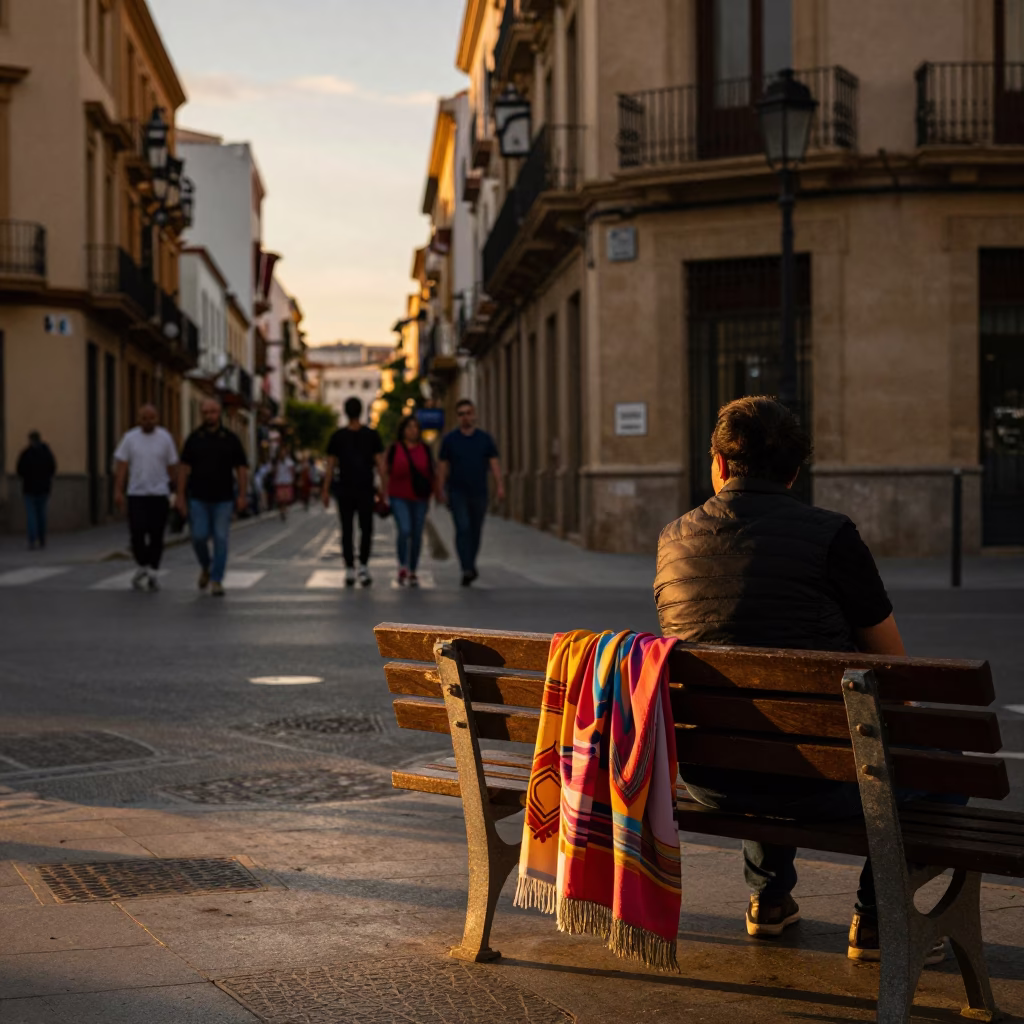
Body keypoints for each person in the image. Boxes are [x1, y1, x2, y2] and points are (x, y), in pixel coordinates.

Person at [653, 396, 952, 965]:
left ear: (718, 464)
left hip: (710, 776)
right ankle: (878, 917)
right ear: (794, 472)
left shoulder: (674, 540)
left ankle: (769, 899)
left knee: (756, 723)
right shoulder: (832, 536)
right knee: (943, 763)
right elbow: (896, 669)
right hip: (821, 782)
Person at [177, 398, 249, 597]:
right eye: (206, 412)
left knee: (221, 538)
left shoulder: (231, 439)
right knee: (198, 536)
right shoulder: (194, 438)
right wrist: (180, 495)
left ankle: (217, 579)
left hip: (224, 498)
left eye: (213, 412)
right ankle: (206, 566)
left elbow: (241, 468)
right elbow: (183, 468)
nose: (210, 416)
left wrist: (242, 495)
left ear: (219, 414)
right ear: (202, 414)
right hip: (198, 497)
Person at [436, 398, 504, 586]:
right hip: (457, 491)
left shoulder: (485, 439)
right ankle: (466, 567)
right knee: (462, 528)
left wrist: (500, 485)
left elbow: (494, 463)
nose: (465, 417)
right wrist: (440, 488)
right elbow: (442, 466)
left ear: (474, 415)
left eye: (468, 413)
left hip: (479, 492)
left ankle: (470, 564)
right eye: (461, 414)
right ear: (457, 417)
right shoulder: (450, 440)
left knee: (475, 530)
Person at [113, 405, 179, 591]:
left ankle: (153, 571)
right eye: (144, 418)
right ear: (138, 419)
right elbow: (122, 466)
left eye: (151, 418)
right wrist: (118, 491)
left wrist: (176, 490)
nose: (148, 421)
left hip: (159, 494)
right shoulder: (130, 438)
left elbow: (172, 465)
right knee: (137, 533)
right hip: (136, 494)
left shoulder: (165, 437)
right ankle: (143, 563)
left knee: (157, 534)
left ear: (157, 418)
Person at [322, 396, 386, 587]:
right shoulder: (372, 435)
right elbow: (381, 465)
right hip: (366, 489)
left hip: (345, 490)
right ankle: (363, 566)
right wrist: (383, 489)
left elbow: (330, 467)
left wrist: (325, 490)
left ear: (345, 412)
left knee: (346, 529)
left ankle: (350, 568)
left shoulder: (337, 436)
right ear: (362, 411)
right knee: (366, 529)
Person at [387, 414, 435, 587]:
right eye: (409, 427)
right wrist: (383, 493)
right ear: (402, 430)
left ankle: (413, 569)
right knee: (405, 529)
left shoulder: (425, 449)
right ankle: (402, 565)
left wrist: (434, 493)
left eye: (415, 427)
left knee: (417, 533)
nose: (413, 430)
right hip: (398, 496)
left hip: (420, 498)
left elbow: (431, 473)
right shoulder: (395, 449)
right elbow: (386, 471)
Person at [16, 431, 56, 550]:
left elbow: (19, 470)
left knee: (31, 515)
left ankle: (32, 540)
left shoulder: (26, 453)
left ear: (30, 440)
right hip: (44, 488)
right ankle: (42, 538)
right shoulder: (46, 453)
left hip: (29, 489)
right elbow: (53, 468)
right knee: (42, 514)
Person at [273, 447, 296, 521]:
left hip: (287, 482)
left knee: (285, 498)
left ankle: (283, 510)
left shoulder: (289, 462)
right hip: (279, 482)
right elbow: (274, 472)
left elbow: (292, 471)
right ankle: (282, 510)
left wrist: (292, 479)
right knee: (280, 499)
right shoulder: (276, 462)